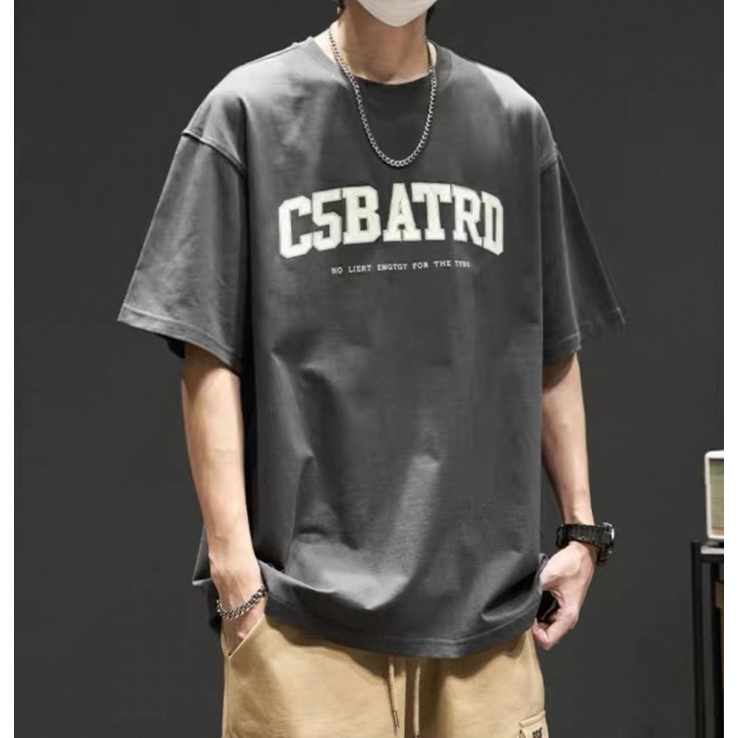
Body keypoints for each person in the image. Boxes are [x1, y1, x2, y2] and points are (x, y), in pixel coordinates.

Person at [116, 0, 627, 736]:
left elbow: (552, 345)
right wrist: (234, 575)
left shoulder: (511, 120)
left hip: (485, 621)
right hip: (303, 622)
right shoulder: (248, 113)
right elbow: (208, 355)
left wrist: (582, 535)